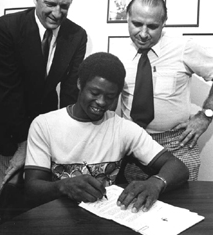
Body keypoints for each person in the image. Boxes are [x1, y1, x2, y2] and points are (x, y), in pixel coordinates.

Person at [24, 52, 189, 212]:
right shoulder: (44, 124)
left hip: (104, 216)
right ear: (80, 84)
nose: (102, 102)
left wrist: (156, 182)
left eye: (110, 97)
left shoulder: (122, 128)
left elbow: (178, 167)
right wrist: (63, 186)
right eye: (94, 93)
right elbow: (32, 188)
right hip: (58, 214)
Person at [0, 0, 87, 192]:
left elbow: (71, 92)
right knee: (9, 193)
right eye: (50, 4)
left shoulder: (77, 35)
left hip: (46, 127)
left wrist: (68, 137)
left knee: (39, 197)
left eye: (64, 6)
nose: (57, 13)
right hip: (6, 127)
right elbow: (8, 89)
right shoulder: (6, 28)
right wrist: (24, 145)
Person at [118, 0, 213, 182]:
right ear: (127, 18)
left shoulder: (184, 47)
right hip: (133, 149)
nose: (143, 34)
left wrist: (206, 115)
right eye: (136, 24)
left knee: (181, 208)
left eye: (152, 26)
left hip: (177, 146)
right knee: (135, 207)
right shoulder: (118, 55)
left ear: (164, 22)